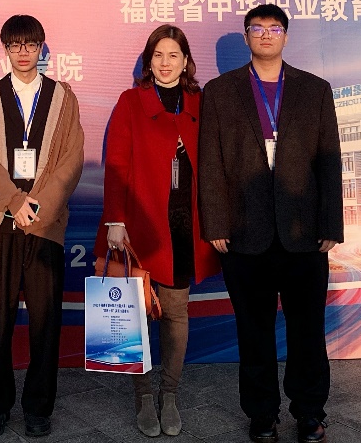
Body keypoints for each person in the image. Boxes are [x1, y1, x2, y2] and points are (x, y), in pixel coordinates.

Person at [197, 5, 343, 443]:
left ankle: (310, 412)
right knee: (253, 332)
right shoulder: (220, 91)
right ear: (246, 37)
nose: (265, 35)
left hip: (304, 233)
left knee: (307, 332)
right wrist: (216, 222)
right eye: (257, 28)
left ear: (286, 36)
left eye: (274, 28)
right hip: (245, 232)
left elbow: (329, 161)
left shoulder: (315, 90)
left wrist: (331, 224)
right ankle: (262, 415)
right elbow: (210, 162)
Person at [94, 25, 220, 437]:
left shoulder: (201, 102)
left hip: (184, 226)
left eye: (174, 55)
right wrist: (115, 220)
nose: (166, 63)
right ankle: (144, 396)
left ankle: (170, 394)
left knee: (176, 313)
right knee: (135, 316)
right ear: (149, 61)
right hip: (140, 225)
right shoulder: (131, 101)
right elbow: (116, 164)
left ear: (186, 62)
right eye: (158, 55)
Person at [0, 15, 85, 438]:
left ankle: (38, 408)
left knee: (45, 323)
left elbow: (71, 158)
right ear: (5, 49)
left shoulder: (62, 97)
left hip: (44, 225)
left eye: (30, 44)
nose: (23, 52)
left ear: (41, 48)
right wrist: (15, 202)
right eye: (15, 45)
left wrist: (40, 206)